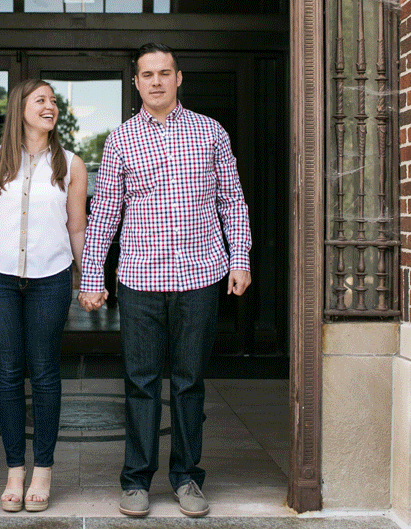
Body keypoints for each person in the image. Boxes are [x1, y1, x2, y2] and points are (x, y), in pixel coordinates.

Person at [78, 43, 252, 518]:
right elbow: (106, 214)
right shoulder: (120, 141)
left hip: (200, 275)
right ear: (135, 83)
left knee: (190, 382)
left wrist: (241, 259)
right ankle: (135, 480)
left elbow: (232, 202)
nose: (155, 81)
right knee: (140, 381)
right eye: (146, 74)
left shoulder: (210, 133)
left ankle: (187, 478)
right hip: (140, 279)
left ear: (179, 78)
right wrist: (92, 275)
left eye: (164, 72)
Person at [0, 79, 87, 513]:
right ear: (20, 109)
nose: (50, 107)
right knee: (9, 371)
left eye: (53, 101)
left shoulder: (71, 164)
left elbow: (77, 228)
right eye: (41, 100)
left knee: (46, 372)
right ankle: (15, 470)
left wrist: (87, 278)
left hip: (50, 278)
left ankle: (44, 470)